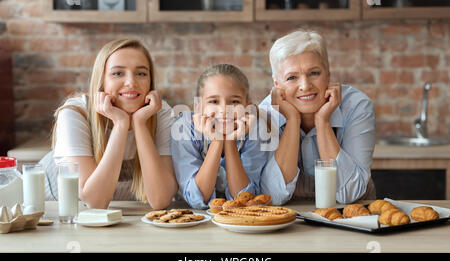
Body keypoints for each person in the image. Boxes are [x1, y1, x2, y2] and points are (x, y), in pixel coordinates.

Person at [40, 39, 178, 210]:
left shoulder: (160, 113)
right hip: (56, 208)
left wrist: (140, 124)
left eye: (141, 73)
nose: (131, 82)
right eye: (118, 73)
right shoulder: (75, 113)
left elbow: (161, 200)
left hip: (118, 216)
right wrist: (120, 125)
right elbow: (95, 201)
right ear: (102, 80)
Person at [259, 29, 376, 205]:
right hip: (290, 221)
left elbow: (350, 194)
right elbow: (272, 196)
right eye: (292, 77)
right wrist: (292, 121)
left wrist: (322, 122)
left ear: (328, 74)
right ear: (277, 85)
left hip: (351, 218)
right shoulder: (265, 114)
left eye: (314, 73)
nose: (305, 86)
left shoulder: (357, 107)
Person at [171, 64, 267, 209]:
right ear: (198, 107)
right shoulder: (184, 127)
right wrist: (217, 140)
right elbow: (197, 198)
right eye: (214, 101)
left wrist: (229, 141)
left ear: (248, 108)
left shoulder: (256, 128)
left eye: (234, 102)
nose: (224, 110)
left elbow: (242, 199)